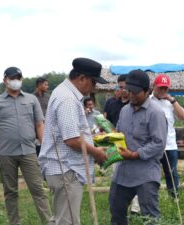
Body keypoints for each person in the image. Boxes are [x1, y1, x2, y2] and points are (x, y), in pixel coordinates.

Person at [39, 58, 108, 225]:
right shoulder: (68, 99)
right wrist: (96, 152)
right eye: (93, 82)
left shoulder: (63, 92)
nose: (94, 87)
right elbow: (72, 139)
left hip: (63, 168)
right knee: (67, 221)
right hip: (66, 168)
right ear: (82, 78)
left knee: (61, 217)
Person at [0, 67, 51, 225]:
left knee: (38, 190)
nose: (16, 81)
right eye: (13, 78)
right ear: (5, 80)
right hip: (5, 154)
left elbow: (39, 125)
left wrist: (46, 148)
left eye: (19, 77)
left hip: (29, 151)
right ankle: (14, 222)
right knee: (10, 192)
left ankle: (49, 222)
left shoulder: (31, 99)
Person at [109, 69, 168, 225]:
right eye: (129, 91)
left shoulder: (155, 113)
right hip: (123, 172)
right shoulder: (124, 111)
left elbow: (159, 143)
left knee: (150, 217)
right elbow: (119, 134)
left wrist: (135, 154)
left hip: (146, 173)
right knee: (116, 211)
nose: (131, 95)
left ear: (147, 91)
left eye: (136, 92)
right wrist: (106, 142)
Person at [150, 74, 184, 198]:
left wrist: (173, 100)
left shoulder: (171, 102)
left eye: (166, 88)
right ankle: (152, 198)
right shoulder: (148, 101)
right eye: (160, 88)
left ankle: (174, 198)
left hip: (170, 144)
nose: (163, 91)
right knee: (151, 172)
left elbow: (182, 116)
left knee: (172, 172)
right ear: (154, 87)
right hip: (152, 144)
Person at [34, 77, 50, 156]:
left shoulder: (48, 97)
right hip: (34, 130)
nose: (47, 86)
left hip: (47, 128)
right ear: (39, 85)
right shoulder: (32, 98)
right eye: (45, 85)